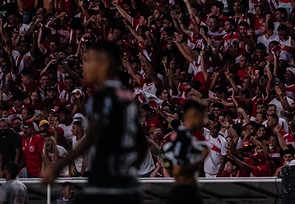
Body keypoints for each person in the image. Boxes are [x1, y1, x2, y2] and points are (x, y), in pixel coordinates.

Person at [41, 41, 146, 204]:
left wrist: (59, 165)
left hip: (106, 184)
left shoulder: (102, 97)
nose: (84, 65)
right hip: (129, 185)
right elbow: (142, 143)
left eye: (88, 60)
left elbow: (92, 135)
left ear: (103, 64)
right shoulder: (128, 96)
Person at [161, 99, 209, 204]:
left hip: (187, 192)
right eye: (201, 117)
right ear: (193, 116)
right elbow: (177, 170)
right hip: (183, 194)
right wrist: (200, 160)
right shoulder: (183, 137)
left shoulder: (188, 138)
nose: (203, 121)